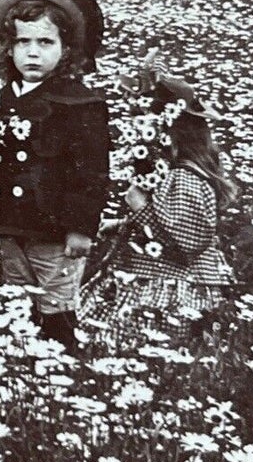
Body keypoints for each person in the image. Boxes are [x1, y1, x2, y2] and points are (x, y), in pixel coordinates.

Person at [0, 0, 110, 355]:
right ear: (7, 49)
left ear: (65, 50)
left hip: (54, 226)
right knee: (17, 292)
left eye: (45, 42)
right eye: (23, 42)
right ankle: (20, 357)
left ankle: (61, 358)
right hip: (12, 220)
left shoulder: (81, 104)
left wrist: (81, 228)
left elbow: (93, 174)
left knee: (56, 296)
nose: (33, 52)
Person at [80, 74, 237, 349]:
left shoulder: (183, 178)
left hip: (169, 286)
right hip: (155, 275)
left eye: (143, 124)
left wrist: (140, 207)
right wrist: (122, 224)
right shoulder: (171, 174)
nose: (137, 133)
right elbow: (168, 223)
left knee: (140, 347)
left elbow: (186, 243)